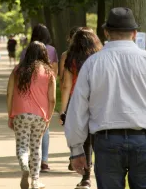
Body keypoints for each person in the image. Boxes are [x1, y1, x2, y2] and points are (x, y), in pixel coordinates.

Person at [65, 7, 146, 189]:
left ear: (106, 32)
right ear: (135, 33)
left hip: (107, 141)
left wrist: (76, 149)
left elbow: (77, 108)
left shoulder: (93, 64)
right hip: (144, 138)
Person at [7, 41, 56, 189]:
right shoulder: (49, 72)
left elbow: (9, 94)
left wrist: (10, 114)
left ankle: (24, 166)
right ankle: (35, 181)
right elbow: (52, 99)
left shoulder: (18, 70)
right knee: (36, 147)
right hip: (40, 115)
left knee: (22, 147)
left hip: (20, 114)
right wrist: (49, 117)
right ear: (44, 54)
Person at [60, 28, 102, 189]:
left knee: (84, 141)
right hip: (98, 101)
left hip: (78, 102)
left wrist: (63, 110)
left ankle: (86, 178)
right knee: (99, 138)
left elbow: (66, 86)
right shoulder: (99, 57)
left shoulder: (71, 58)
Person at [20, 24, 58, 172]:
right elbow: (54, 72)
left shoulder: (26, 51)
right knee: (45, 128)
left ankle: (30, 160)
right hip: (45, 91)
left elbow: (21, 72)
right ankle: (44, 160)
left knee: (28, 131)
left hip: (29, 93)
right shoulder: (52, 50)